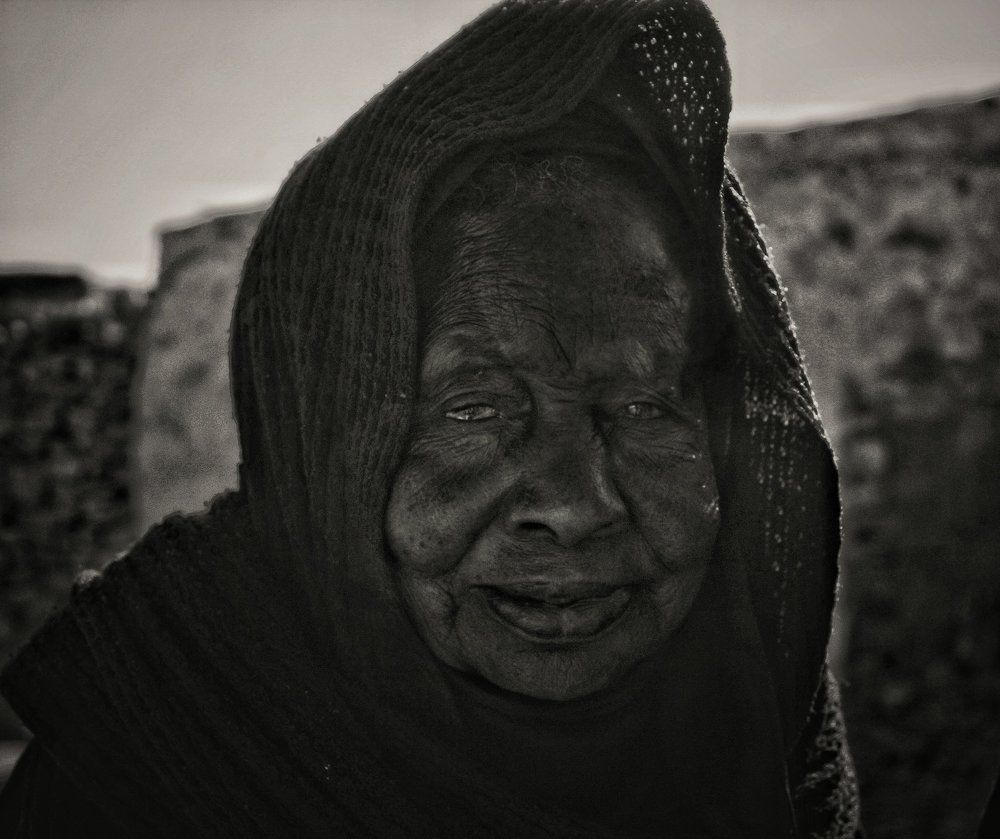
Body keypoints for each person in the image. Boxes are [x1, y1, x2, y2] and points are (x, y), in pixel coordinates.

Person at [0, 1, 861, 835]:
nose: (575, 505)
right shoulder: (139, 780)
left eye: (642, 405)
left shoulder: (762, 721)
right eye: (473, 408)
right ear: (324, 452)